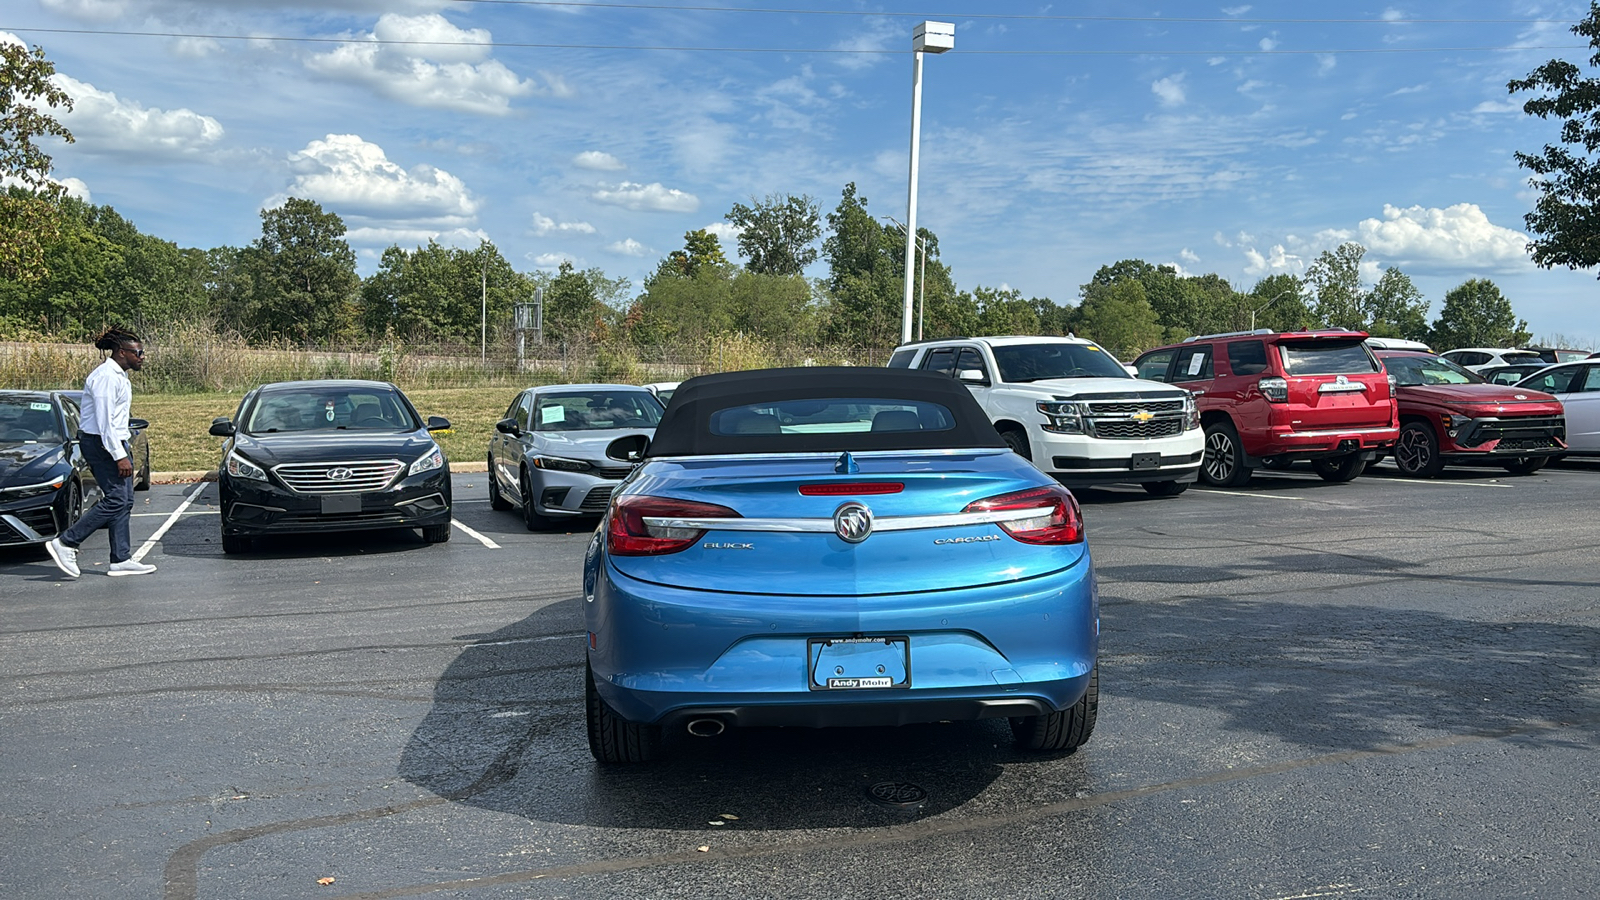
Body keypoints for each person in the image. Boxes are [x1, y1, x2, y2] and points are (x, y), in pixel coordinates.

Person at [46, 328, 157, 578]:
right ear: (121, 353)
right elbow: (104, 422)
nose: (141, 357)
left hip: (112, 441)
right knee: (116, 498)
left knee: (125, 500)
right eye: (138, 353)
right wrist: (119, 455)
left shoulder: (119, 376)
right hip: (102, 443)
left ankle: (120, 559)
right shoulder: (106, 377)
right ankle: (66, 542)